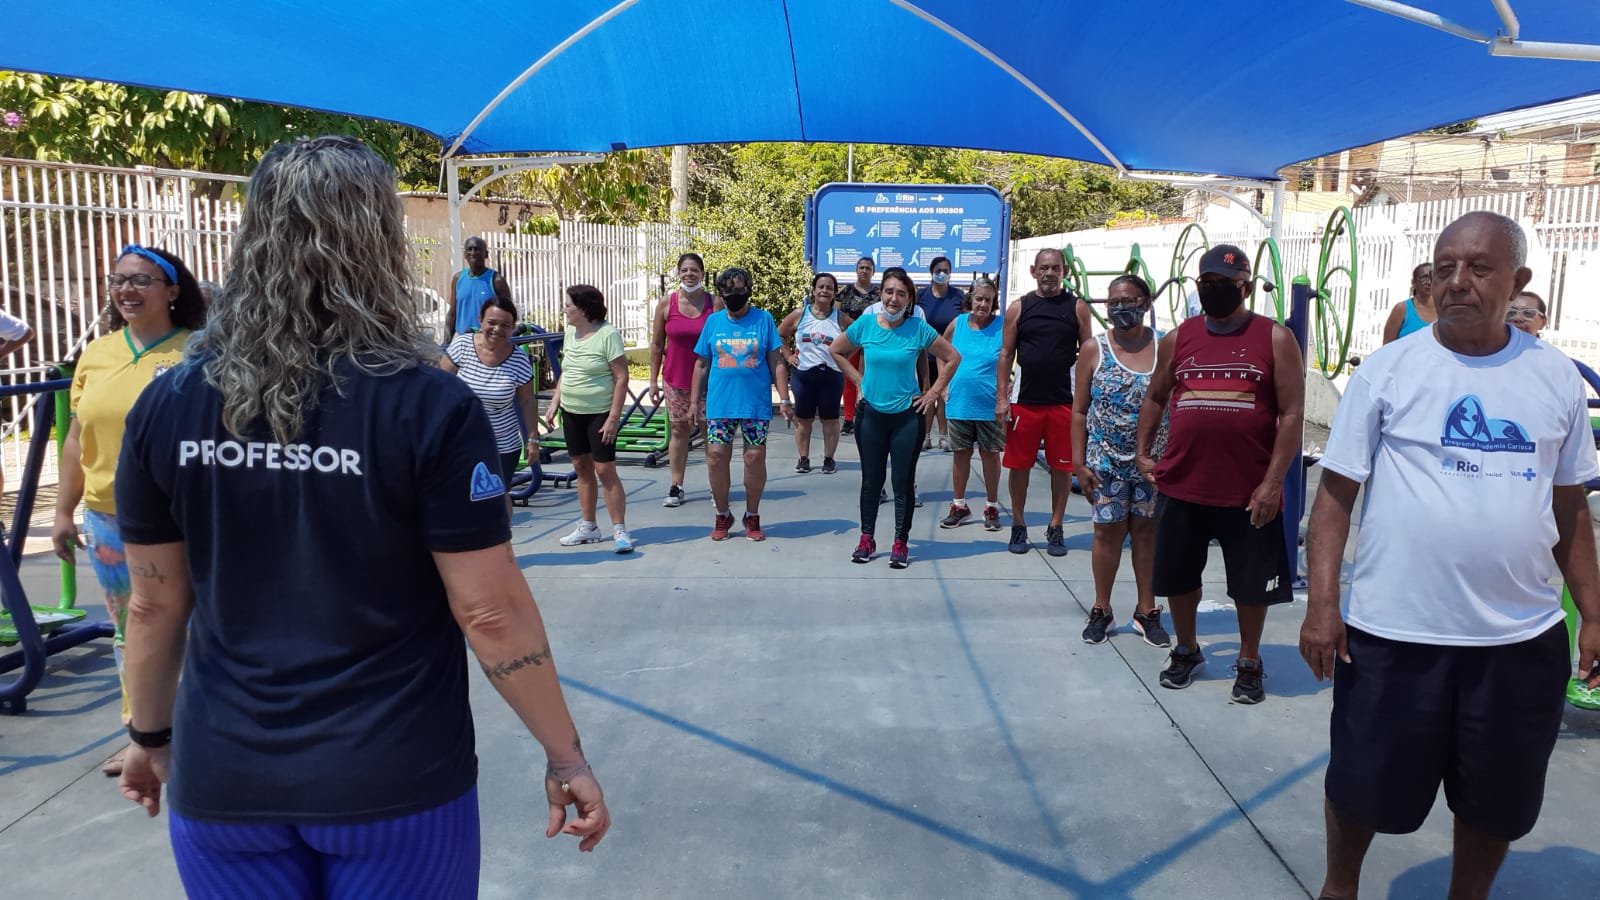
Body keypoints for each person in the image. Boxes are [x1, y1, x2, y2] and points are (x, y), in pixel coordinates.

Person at [112, 138, 608, 895]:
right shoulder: (427, 403)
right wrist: (566, 756)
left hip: (228, 779)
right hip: (394, 779)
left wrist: (148, 736)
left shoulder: (170, 402)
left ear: (254, 240)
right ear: (380, 243)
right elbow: (489, 609)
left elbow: (152, 602)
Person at [1301, 210, 1599, 900]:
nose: (1457, 281)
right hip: (1392, 632)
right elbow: (1336, 496)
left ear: (1518, 280)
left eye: (1479, 267)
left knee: (1497, 799)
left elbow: (1570, 507)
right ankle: (1339, 887)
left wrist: (1593, 612)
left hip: (1517, 641)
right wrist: (1322, 606)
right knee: (1361, 783)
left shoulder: (1554, 378)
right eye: (1445, 266)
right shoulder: (1389, 370)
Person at [51, 244, 204, 778]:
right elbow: (75, 437)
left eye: (140, 280)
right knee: (130, 629)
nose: (126, 290)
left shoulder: (199, 352)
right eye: (118, 280)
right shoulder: (95, 355)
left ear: (171, 291)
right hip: (109, 520)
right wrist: (64, 510)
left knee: (198, 625)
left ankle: (202, 728)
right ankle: (144, 729)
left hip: (185, 519)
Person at [1135, 244, 1303, 704]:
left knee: (1250, 586)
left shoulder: (1275, 338)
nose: (1214, 293)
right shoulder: (1180, 337)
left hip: (1248, 491)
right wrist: (1142, 450)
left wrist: (1273, 483)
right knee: (1177, 577)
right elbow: (1155, 397)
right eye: (1207, 285)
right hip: (1183, 482)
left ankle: (1249, 660)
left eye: (1225, 286)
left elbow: (1291, 415)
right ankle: (1187, 649)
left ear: (1245, 288)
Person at [830, 268, 959, 569]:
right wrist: (859, 380)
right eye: (889, 291)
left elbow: (953, 358)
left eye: (901, 293)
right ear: (881, 294)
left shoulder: (918, 328)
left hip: (907, 418)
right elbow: (837, 351)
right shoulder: (865, 325)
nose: (894, 298)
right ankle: (867, 537)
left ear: (909, 299)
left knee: (903, 482)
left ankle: (900, 542)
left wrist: (933, 393)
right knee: (871, 481)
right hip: (872, 416)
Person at [1071, 275, 1170, 647]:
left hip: (1153, 465)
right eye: (1113, 302)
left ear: (1145, 303)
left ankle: (1147, 610)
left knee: (1147, 532)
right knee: (1107, 533)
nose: (1120, 308)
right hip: (1105, 463)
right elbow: (1079, 411)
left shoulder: (1165, 346)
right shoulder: (1093, 349)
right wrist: (1079, 464)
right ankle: (1102, 608)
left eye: (1128, 301)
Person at [996, 247, 1094, 556]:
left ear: (1064, 271)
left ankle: (1056, 525)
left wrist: (1087, 398)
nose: (1049, 273)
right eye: (1044, 267)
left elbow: (1089, 353)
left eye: (1055, 268)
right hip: (1025, 401)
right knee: (1019, 466)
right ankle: (1019, 525)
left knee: (1062, 468)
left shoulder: (1077, 307)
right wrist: (1002, 398)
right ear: (1033, 271)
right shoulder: (1019, 307)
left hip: (1065, 403)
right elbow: (1005, 354)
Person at [691, 266, 794, 541]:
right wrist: (693, 402)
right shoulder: (713, 322)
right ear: (721, 293)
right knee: (715, 458)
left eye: (739, 290)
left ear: (748, 290)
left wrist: (784, 398)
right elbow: (701, 363)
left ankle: (752, 514)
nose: (734, 296)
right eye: (728, 291)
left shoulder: (764, 319)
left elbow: (776, 361)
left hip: (754, 403)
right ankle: (722, 514)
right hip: (720, 403)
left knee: (754, 457)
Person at [546, 285, 633, 553]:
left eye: (568, 305)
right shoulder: (571, 333)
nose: (564, 310)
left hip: (599, 412)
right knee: (581, 468)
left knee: (605, 470)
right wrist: (554, 402)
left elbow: (621, 377)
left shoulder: (608, 335)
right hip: (572, 412)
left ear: (584, 308)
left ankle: (619, 529)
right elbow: (567, 370)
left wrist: (613, 418)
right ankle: (589, 526)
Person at [439, 295, 539, 516]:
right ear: (480, 320)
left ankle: (503, 544)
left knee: (498, 495)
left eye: (505, 325)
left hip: (502, 442)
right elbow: (440, 385)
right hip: (462, 439)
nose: (497, 329)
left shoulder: (518, 360)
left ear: (513, 328)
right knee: (460, 495)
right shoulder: (463, 345)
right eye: (491, 322)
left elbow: (527, 400)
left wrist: (532, 438)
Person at [648, 252, 719, 507]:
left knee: (712, 433)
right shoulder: (667, 304)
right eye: (685, 270)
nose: (689, 274)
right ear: (678, 274)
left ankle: (717, 487)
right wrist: (653, 381)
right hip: (675, 379)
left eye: (694, 270)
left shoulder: (715, 304)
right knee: (679, 430)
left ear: (702, 273)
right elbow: (657, 344)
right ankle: (676, 485)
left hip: (710, 381)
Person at [939, 276, 1005, 532]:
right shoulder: (958, 324)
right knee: (961, 455)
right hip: (960, 402)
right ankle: (959, 505)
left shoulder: (1003, 325)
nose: (983, 304)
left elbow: (1013, 357)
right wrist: (943, 385)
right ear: (971, 299)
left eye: (988, 300)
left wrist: (1008, 388)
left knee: (990, 456)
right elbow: (940, 352)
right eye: (979, 299)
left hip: (990, 404)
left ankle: (991, 506)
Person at [779, 272, 851, 474]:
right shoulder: (800, 314)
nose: (825, 291)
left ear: (834, 293)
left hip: (831, 374)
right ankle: (803, 458)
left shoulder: (841, 318)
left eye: (829, 288)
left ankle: (829, 459)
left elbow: (858, 337)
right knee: (803, 419)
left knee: (830, 419)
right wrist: (787, 355)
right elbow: (780, 335)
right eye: (821, 287)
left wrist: (844, 357)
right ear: (814, 290)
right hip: (804, 373)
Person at [917, 256, 965, 451]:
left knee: (944, 394)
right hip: (924, 354)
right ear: (931, 272)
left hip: (949, 355)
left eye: (946, 270)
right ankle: (925, 435)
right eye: (938, 270)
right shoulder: (921, 295)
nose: (942, 274)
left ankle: (944, 435)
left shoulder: (959, 296)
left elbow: (964, 322)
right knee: (928, 393)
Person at [835, 256, 878, 436]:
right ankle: (849, 419)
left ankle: (870, 415)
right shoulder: (846, 292)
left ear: (873, 272)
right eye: (861, 267)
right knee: (850, 381)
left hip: (872, 342)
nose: (864, 271)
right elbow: (835, 315)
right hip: (851, 341)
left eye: (868, 268)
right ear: (856, 270)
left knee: (871, 378)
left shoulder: (879, 293)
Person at [445, 235, 512, 338]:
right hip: (462, 341)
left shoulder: (496, 280)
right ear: (465, 255)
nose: (473, 253)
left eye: (477, 249)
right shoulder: (458, 278)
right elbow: (452, 314)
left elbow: (508, 314)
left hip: (487, 339)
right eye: (469, 249)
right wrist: (446, 343)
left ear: (486, 254)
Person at [1380, 263, 1434, 344]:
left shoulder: (1443, 310)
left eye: (1433, 278)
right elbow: (1387, 346)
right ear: (1413, 282)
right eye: (1424, 278)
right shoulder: (1402, 309)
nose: (1429, 282)